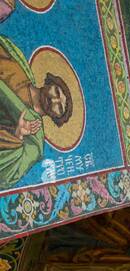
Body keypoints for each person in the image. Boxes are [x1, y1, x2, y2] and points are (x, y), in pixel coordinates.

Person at [0, 36, 73, 188]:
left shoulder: (35, 138)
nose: (54, 100)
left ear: (55, 117)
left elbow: (8, 174)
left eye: (59, 107)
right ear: (51, 82)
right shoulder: (20, 67)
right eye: (57, 92)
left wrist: (17, 135)